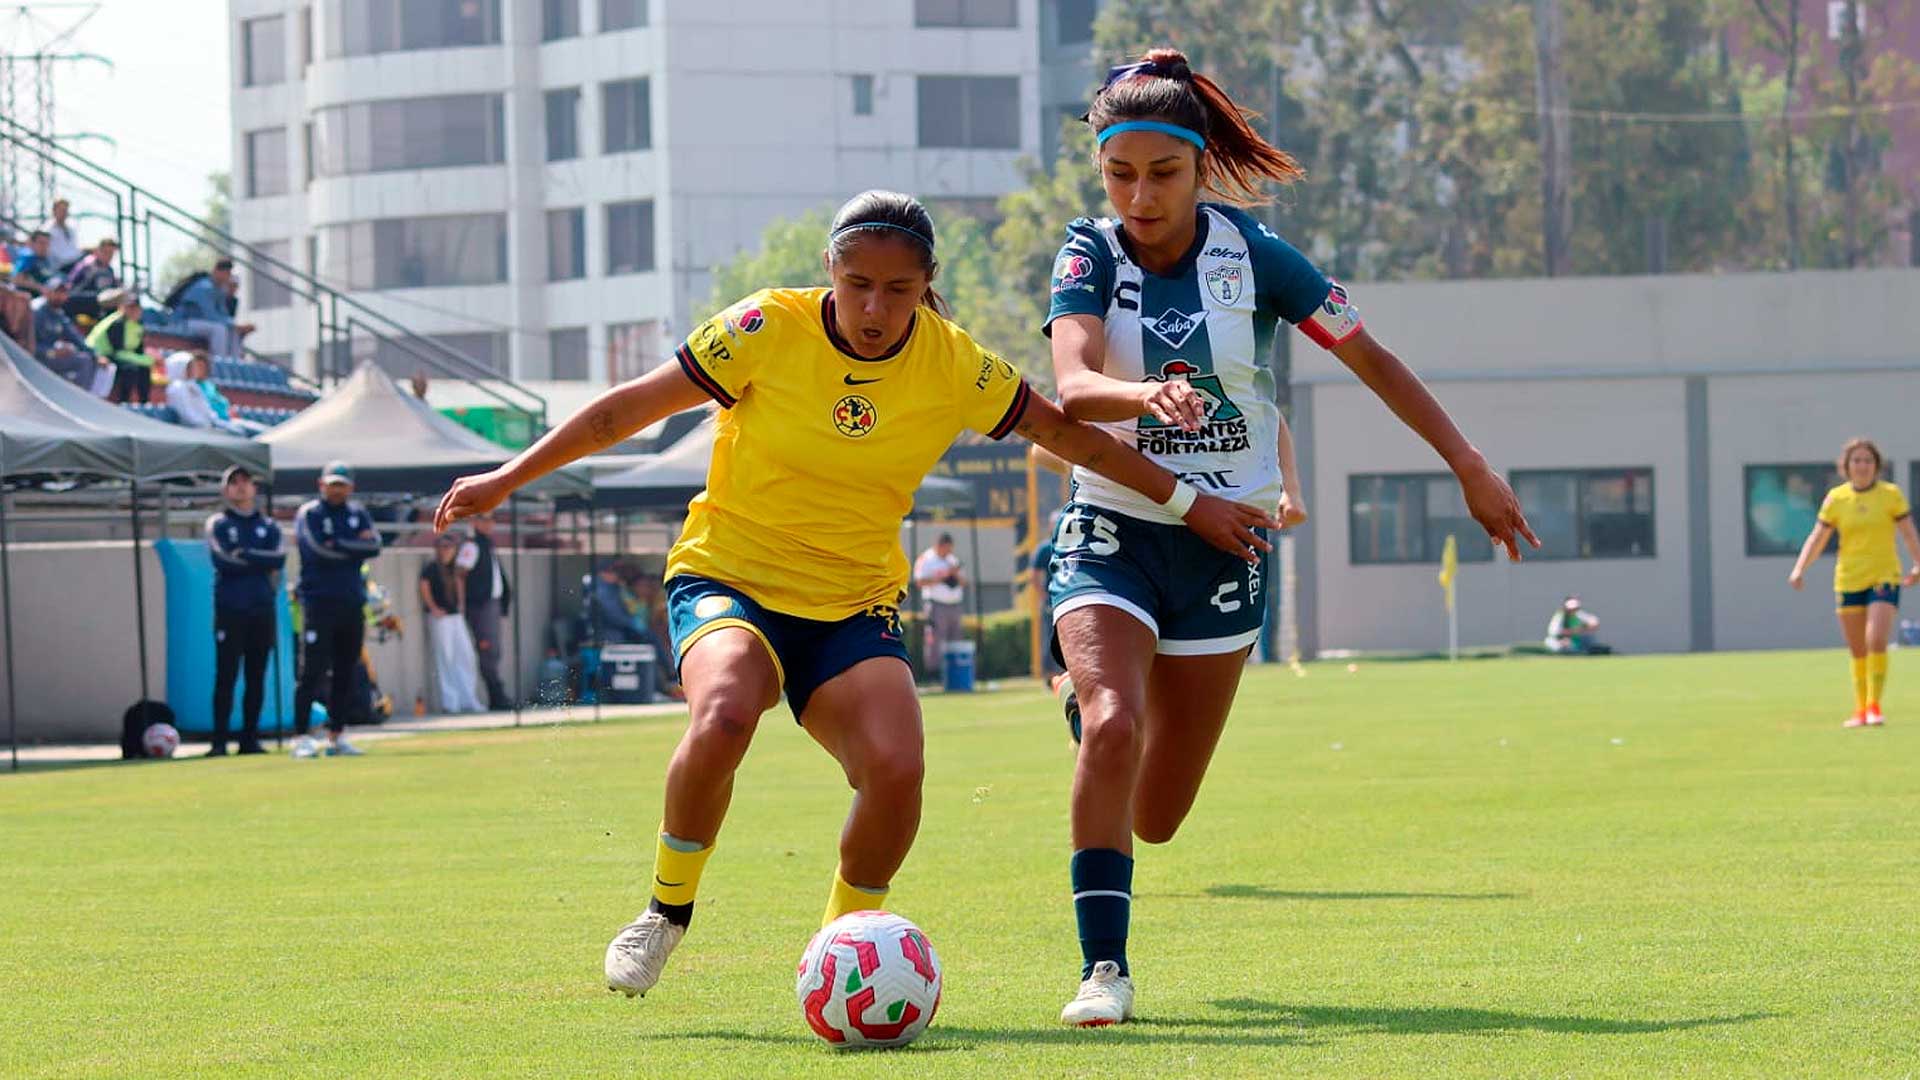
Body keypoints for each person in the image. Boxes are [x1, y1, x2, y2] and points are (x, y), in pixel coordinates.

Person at [432, 189, 1275, 1002]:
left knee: (898, 772)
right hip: (732, 573)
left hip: (851, 603)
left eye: (899, 290)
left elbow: (1061, 430)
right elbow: (627, 412)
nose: (876, 308)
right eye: (858, 285)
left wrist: (1189, 503)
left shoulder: (953, 362)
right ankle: (665, 911)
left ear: (924, 287)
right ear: (830, 274)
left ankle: (837, 951)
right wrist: (508, 478)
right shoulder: (764, 327)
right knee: (725, 712)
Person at [1038, 50, 1537, 1026]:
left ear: (1199, 167)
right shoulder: (1089, 254)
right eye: (1119, 174)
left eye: (1163, 174)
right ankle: (1105, 971)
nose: (1140, 196)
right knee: (1112, 727)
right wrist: (1146, 397)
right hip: (1116, 522)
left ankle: (1098, 727)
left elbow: (1373, 357)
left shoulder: (1258, 256)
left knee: (1158, 815)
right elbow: (1072, 384)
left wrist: (1468, 464)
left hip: (1229, 547)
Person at [1789, 437, 1920, 728]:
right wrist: (1800, 569)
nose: (1862, 466)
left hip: (1883, 575)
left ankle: (1875, 706)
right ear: (1846, 466)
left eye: (1868, 460)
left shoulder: (1890, 495)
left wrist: (1918, 562)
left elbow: (1908, 532)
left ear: (1877, 466)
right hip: (1848, 578)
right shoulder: (1837, 498)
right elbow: (1818, 537)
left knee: (1876, 639)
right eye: (1856, 460)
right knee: (1857, 648)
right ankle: (1860, 709)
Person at [294, 461, 383, 755]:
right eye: (332, 484)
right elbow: (318, 549)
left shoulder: (357, 513)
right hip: (319, 602)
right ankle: (302, 736)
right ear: (322, 485)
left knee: (346, 669)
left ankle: (337, 734)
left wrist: (339, 545)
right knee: (313, 671)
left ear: (351, 488)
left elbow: (374, 546)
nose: (336, 490)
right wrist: (351, 546)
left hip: (351, 601)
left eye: (342, 485)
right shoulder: (311, 514)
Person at [204, 466, 285, 755]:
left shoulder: (270, 526)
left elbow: (279, 558)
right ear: (225, 490)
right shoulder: (219, 524)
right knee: (226, 676)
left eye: (245, 482)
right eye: (233, 482)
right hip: (230, 609)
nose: (240, 487)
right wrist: (258, 561)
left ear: (254, 488)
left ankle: (249, 739)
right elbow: (223, 560)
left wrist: (247, 554)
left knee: (256, 676)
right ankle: (219, 741)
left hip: (261, 609)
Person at [421, 533, 487, 714]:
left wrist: (461, 606)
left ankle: (469, 699)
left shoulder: (455, 568)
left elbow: (459, 584)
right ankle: (451, 702)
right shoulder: (431, 568)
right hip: (440, 618)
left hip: (456, 617)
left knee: (466, 656)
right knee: (446, 658)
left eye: (449, 547)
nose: (446, 551)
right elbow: (425, 587)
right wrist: (433, 608)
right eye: (443, 547)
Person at [459, 515, 514, 710]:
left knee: (494, 651)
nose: (491, 523)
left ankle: (497, 694)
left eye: (492, 519)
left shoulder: (487, 545)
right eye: (485, 519)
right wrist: (463, 604)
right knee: (487, 650)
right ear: (475, 522)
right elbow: (461, 574)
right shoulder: (472, 546)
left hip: (493, 604)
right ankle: (496, 694)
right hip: (480, 606)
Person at [170, 258, 255, 362]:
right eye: (226, 273)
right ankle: (220, 363)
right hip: (185, 323)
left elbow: (223, 315)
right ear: (217, 271)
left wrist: (235, 327)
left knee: (232, 330)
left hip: (202, 325)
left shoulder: (219, 289)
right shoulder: (203, 286)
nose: (227, 277)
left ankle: (235, 364)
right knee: (220, 329)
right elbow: (210, 315)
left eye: (229, 274)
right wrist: (234, 325)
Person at [912, 533, 966, 681]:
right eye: (946, 548)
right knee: (935, 640)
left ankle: (954, 673)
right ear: (939, 545)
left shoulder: (952, 560)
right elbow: (919, 582)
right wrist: (942, 577)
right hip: (936, 604)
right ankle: (933, 674)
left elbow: (963, 582)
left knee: (955, 639)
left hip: (954, 605)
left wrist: (954, 574)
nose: (948, 552)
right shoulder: (927, 559)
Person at [86, 290, 153, 404]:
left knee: (144, 369)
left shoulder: (138, 325)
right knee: (129, 368)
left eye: (136, 308)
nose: (134, 311)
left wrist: (146, 360)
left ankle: (144, 404)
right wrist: (147, 360)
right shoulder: (117, 324)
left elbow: (138, 350)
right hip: (98, 355)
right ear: (122, 308)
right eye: (130, 307)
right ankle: (123, 402)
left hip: (117, 355)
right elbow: (117, 352)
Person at [29, 281, 99, 387]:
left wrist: (95, 355)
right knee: (84, 361)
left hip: (49, 356)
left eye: (64, 293)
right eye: (57, 292)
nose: (61, 296)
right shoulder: (36, 311)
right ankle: (78, 399)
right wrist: (51, 351)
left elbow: (75, 337)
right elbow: (26, 343)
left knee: (88, 357)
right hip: (32, 359)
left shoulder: (57, 313)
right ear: (46, 292)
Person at [63, 237, 120, 321]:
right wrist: (100, 297)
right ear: (97, 251)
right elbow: (72, 292)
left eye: (111, 253)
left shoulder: (109, 270)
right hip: (81, 302)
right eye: (105, 252)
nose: (108, 256)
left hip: (101, 304)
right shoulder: (87, 266)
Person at [10, 231, 58, 296]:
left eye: (47, 243)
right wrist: (40, 288)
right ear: (32, 244)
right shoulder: (28, 257)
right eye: (41, 243)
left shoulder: (45, 259)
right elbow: (16, 280)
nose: (45, 246)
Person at [41, 198, 83, 271]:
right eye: (61, 210)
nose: (64, 213)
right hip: (59, 266)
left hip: (74, 263)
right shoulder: (47, 230)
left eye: (66, 211)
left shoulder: (71, 230)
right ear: (54, 211)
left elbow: (74, 249)